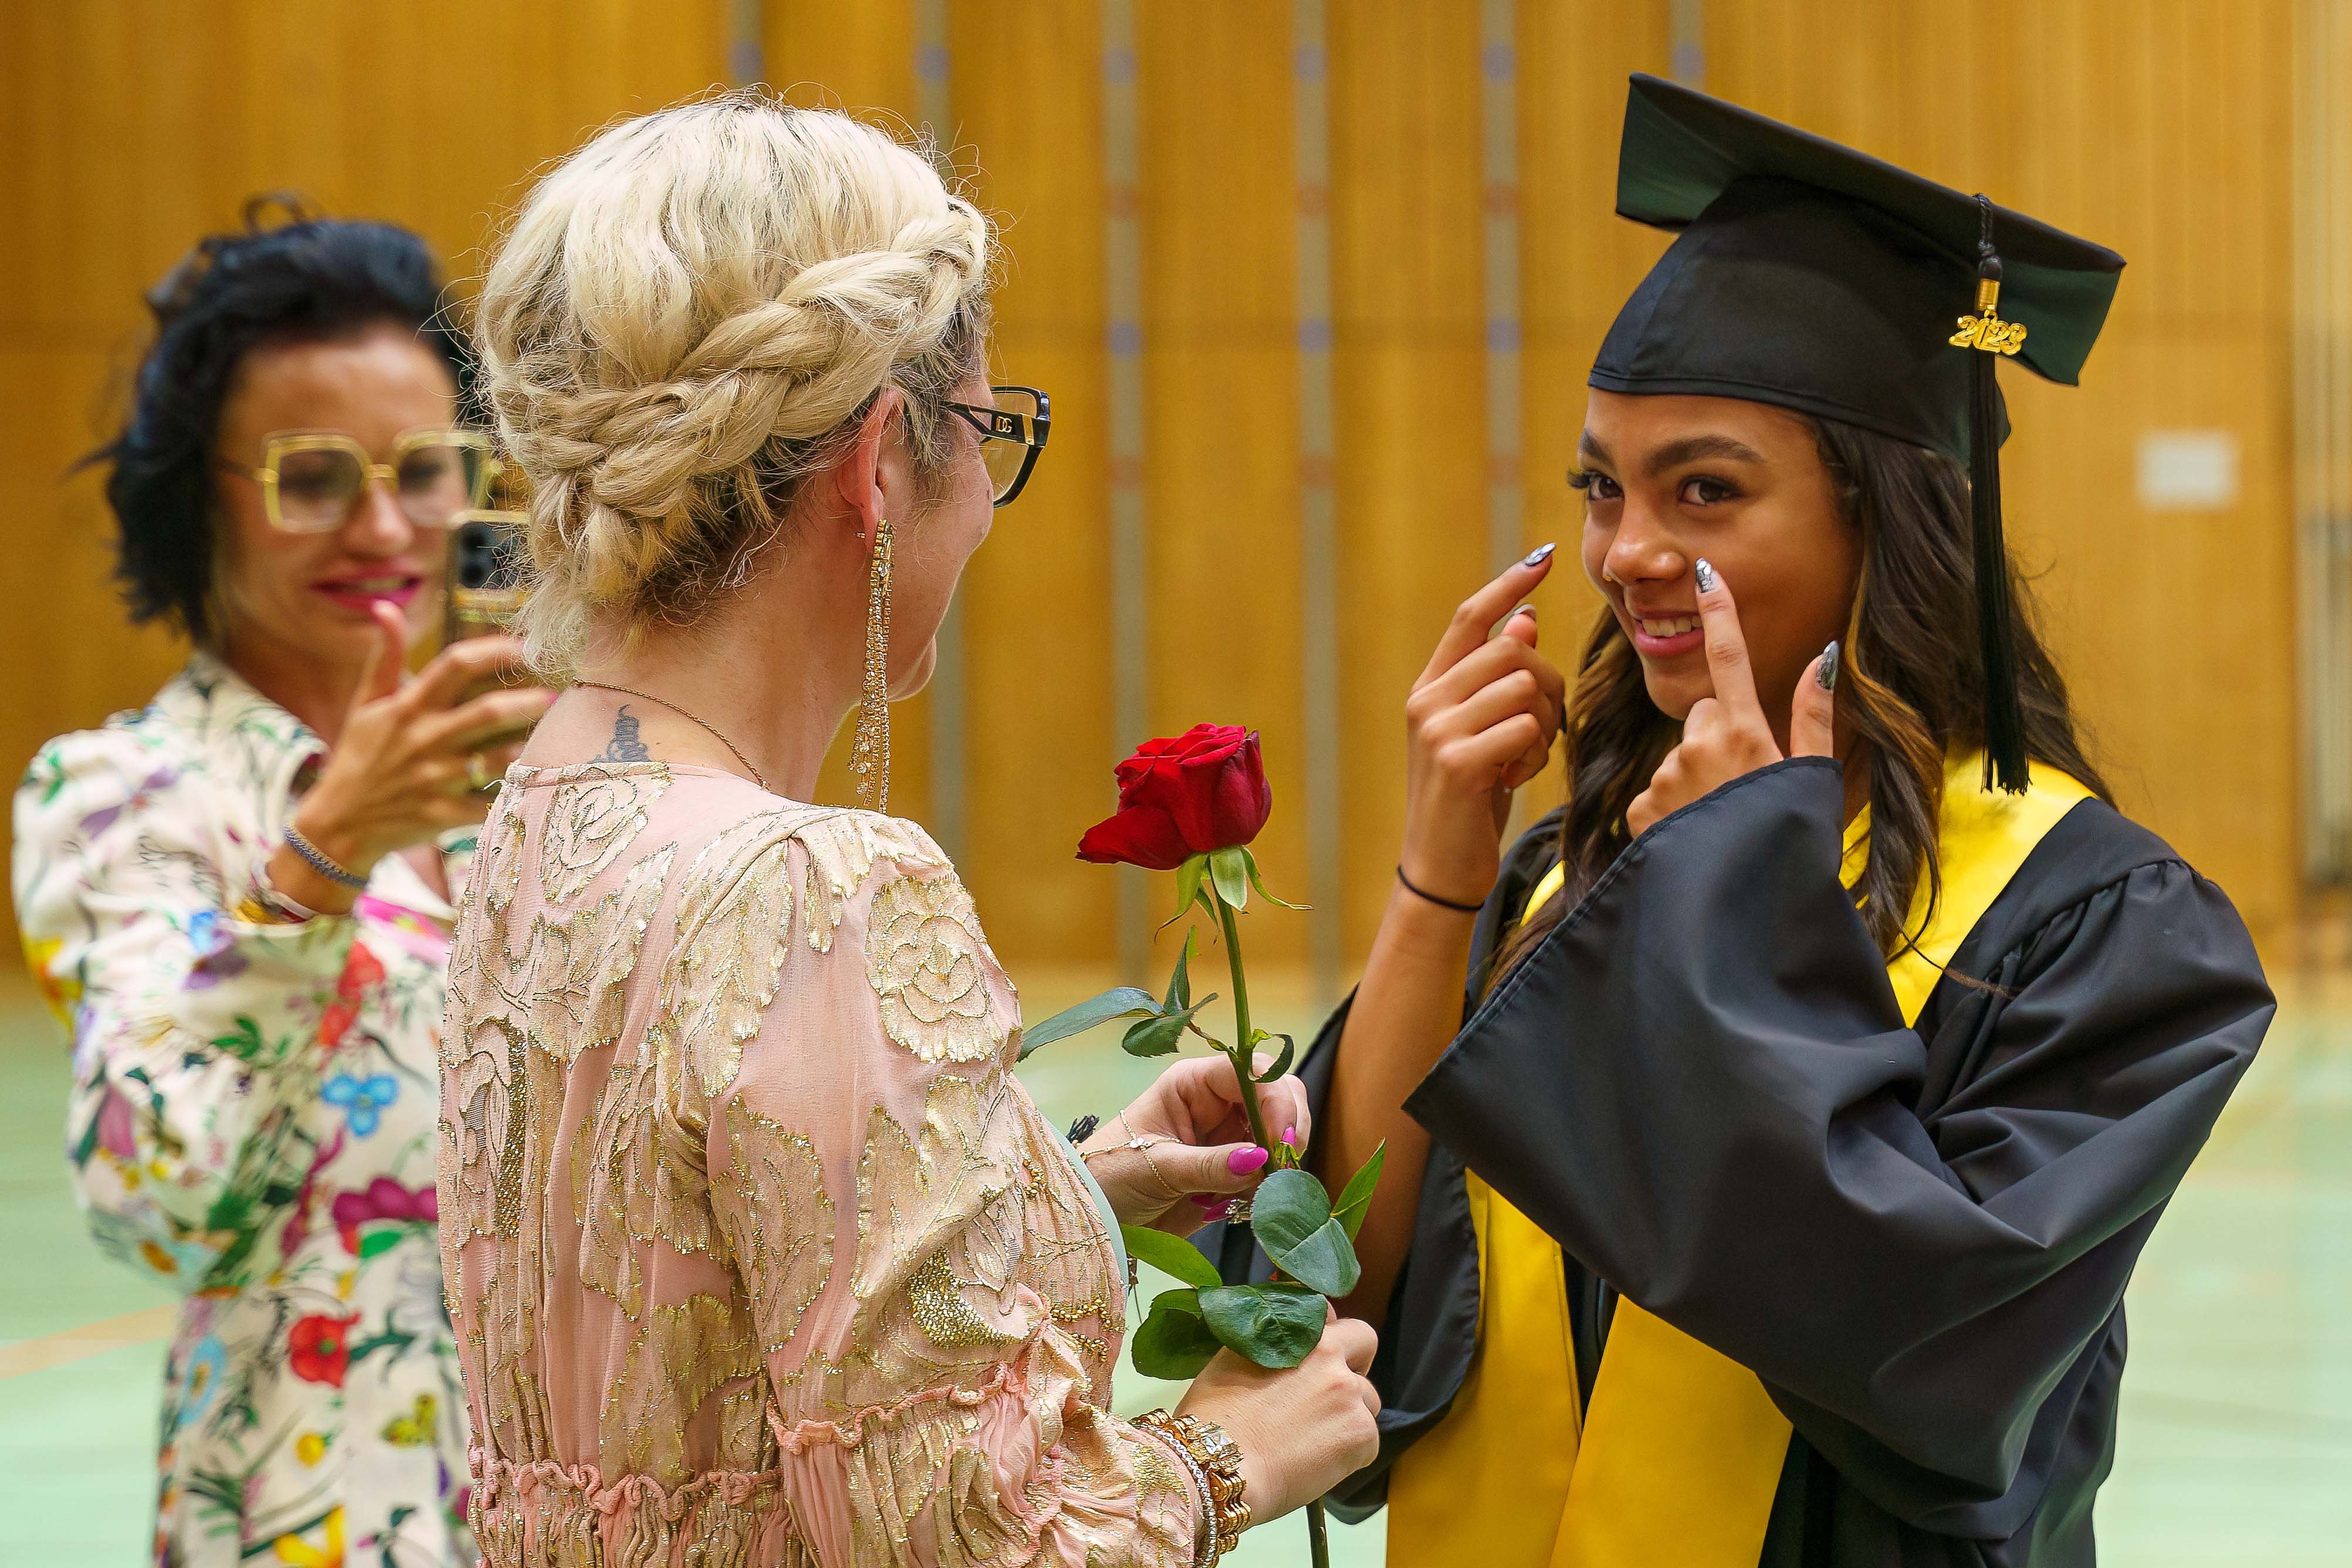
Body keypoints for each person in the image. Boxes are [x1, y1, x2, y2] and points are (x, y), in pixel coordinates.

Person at [1259, 76, 2273, 1567]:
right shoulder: (1570, 873)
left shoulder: (2097, 926)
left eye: (1706, 489)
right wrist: (1442, 883)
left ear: (1886, 517)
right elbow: (1341, 1289)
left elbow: (1918, 1350)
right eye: (1602, 487)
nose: (1627, 552)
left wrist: (1737, 900)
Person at [444, 97, 1380, 1568]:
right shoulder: (817, 889)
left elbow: (701, 1327)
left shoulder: (538, 805)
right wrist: (1224, 1453)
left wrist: (1049, 1181)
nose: (989, 509)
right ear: (879, 462)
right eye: (987, 432)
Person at [13, 202, 552, 1567]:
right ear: (201, 496)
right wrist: (315, 869)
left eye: (427, 469)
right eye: (315, 477)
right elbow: (164, 1202)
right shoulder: (127, 795)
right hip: (310, 1523)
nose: (384, 525)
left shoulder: (544, 780)